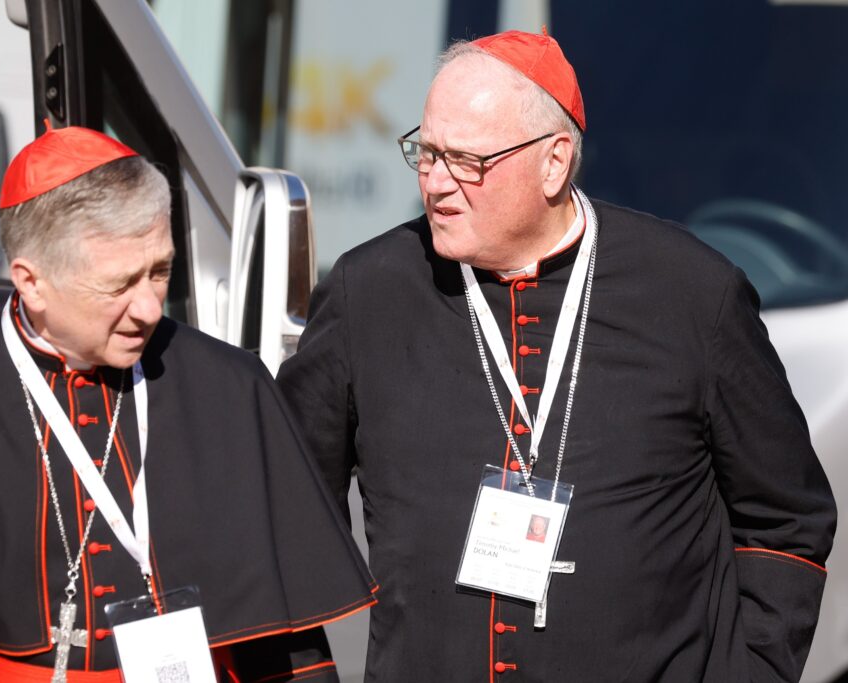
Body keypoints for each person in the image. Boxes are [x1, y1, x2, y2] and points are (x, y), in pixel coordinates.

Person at [277, 29, 835, 682]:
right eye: (425, 153)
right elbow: (284, 513)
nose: (436, 184)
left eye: (467, 160)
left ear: (554, 161)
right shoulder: (367, 291)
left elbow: (786, 518)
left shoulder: (692, 294)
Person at [0, 125, 375, 682]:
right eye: (119, 285)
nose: (149, 309)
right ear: (31, 283)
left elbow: (288, 644)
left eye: (160, 272)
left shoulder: (230, 390)